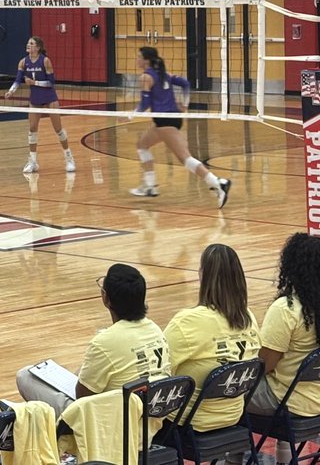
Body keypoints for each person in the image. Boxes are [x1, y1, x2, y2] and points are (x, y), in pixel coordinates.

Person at [15, 263, 169, 416]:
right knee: (86, 370)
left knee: (25, 376)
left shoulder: (105, 342)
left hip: (110, 428)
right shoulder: (155, 330)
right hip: (148, 423)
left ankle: (39, 423)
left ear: (106, 299)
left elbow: (82, 398)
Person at [164, 243, 261, 434]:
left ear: (203, 276)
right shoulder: (248, 317)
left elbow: (160, 371)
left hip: (191, 422)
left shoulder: (187, 321)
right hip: (233, 415)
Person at [245, 232, 320, 454]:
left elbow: (264, 365)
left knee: (229, 393)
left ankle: (234, 460)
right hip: (315, 396)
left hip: (290, 400)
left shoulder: (286, 308)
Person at [129, 45, 232, 207]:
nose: (137, 59)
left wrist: (130, 115)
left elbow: (145, 103)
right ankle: (150, 186)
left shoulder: (146, 77)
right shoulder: (164, 74)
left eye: (138, 56)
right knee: (142, 145)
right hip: (168, 119)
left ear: (146, 60)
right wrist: (185, 103)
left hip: (165, 121)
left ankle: (219, 182)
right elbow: (185, 83)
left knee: (185, 158)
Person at [3, 37, 77, 175]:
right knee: (32, 129)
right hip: (35, 98)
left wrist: (34, 83)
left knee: (58, 129)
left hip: (49, 98)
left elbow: (51, 83)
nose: (28, 45)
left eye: (31, 44)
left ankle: (69, 158)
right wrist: (11, 91)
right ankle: (32, 161)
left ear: (37, 47)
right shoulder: (23, 62)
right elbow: (18, 80)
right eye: (28, 43)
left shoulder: (45, 61)